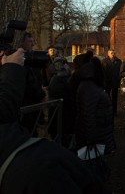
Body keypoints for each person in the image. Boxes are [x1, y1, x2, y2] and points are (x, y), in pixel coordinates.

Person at [0, 48, 106, 194]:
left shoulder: (78, 82)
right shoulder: (39, 165)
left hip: (67, 124)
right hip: (60, 126)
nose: (65, 67)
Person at [71, 51, 115, 155]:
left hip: (100, 131)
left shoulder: (91, 82)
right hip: (96, 135)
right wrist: (91, 139)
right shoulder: (88, 85)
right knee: (94, 165)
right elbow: (88, 114)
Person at [101, 49, 122, 116]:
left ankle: (114, 111)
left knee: (115, 97)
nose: (113, 54)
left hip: (115, 81)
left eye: (114, 53)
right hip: (107, 82)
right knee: (106, 97)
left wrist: (119, 78)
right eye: (111, 53)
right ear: (108, 54)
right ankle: (107, 111)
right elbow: (102, 71)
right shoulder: (104, 61)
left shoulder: (118, 61)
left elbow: (120, 71)